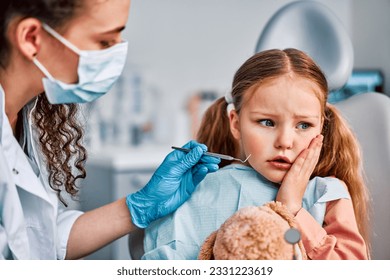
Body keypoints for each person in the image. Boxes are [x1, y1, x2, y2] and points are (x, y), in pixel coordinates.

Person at [0, 0, 220, 260]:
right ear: (31, 38)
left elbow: (37, 240)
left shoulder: (29, 114)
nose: (116, 55)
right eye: (104, 42)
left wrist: (139, 206)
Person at [142, 48, 370, 260]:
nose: (285, 142)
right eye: (267, 122)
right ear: (236, 123)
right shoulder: (197, 192)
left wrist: (292, 209)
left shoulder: (326, 195)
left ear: (321, 126)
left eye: (303, 125)